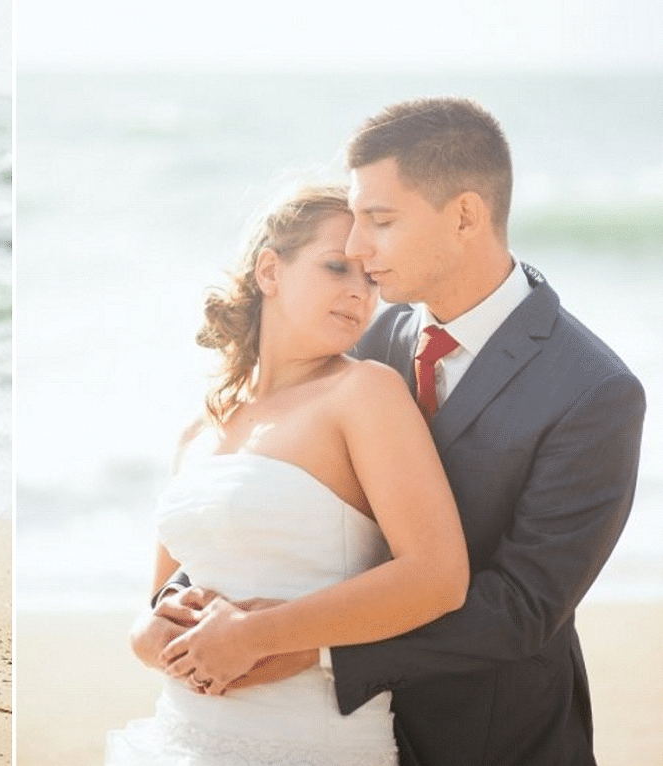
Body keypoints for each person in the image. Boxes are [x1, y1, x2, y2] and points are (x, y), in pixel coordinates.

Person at [152, 99, 646, 765]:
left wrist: (309, 649)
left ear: (465, 216)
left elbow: (522, 607)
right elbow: (283, 494)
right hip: (345, 735)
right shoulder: (372, 339)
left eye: (380, 222)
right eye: (354, 226)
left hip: (491, 741)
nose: (357, 248)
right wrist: (186, 608)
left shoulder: (593, 390)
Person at [106, 184, 470, 765]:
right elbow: (161, 597)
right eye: (335, 267)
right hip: (180, 736)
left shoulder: (365, 392)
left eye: (371, 279)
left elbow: (439, 576)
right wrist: (145, 637)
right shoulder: (200, 429)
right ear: (270, 271)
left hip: (309, 742)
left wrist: (256, 636)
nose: (358, 292)